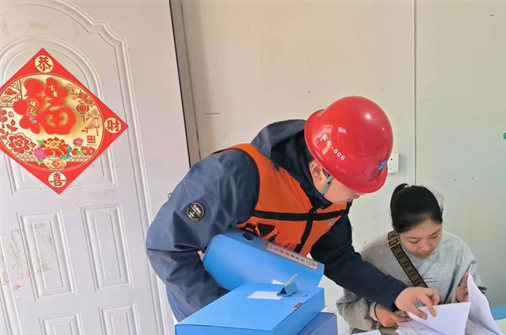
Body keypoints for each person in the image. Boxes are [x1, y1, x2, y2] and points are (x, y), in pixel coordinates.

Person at [145, 96, 439, 321]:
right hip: (209, 304)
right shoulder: (234, 175)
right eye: (354, 187)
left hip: (272, 301)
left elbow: (337, 258)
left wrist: (396, 293)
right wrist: (222, 310)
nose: (358, 195)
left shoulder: (333, 196)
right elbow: (166, 247)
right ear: (319, 171)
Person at [337, 183, 485, 335]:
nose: (426, 247)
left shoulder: (456, 249)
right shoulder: (373, 254)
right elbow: (346, 307)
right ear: (396, 232)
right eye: (414, 240)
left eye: (434, 235)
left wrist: (464, 300)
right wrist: (374, 312)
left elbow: (479, 302)